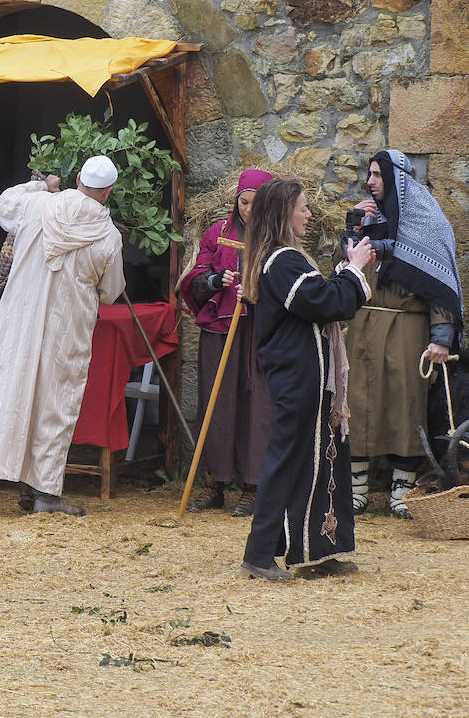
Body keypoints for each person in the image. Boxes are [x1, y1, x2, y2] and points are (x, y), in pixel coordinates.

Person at [239, 179, 374, 580]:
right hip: (298, 377)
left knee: (322, 460)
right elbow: (324, 302)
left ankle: (317, 550)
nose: (308, 214)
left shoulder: (287, 259)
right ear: (284, 214)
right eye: (302, 208)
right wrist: (354, 271)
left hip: (309, 376)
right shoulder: (281, 260)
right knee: (287, 462)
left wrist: (345, 271)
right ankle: (259, 554)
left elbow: (317, 294)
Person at [0, 156, 125, 517]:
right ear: (108, 191)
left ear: (78, 178)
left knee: (20, 390)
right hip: (67, 326)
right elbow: (110, 291)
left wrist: (40, 185)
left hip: (24, 318)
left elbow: (2, 204)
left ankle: (28, 484)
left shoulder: (37, 205)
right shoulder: (108, 236)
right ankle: (43, 490)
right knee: (55, 402)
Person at [346, 149, 463, 518]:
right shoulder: (367, 218)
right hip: (364, 324)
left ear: (398, 178)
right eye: (369, 174)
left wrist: (441, 336)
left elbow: (442, 285)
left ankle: (401, 491)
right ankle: (356, 491)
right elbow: (349, 266)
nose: (370, 181)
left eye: (378, 174)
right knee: (357, 401)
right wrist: (356, 230)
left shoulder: (429, 223)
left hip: (407, 327)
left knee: (405, 402)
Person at [178, 170, 276, 516]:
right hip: (221, 331)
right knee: (217, 405)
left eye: (256, 203)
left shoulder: (277, 239)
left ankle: (253, 485)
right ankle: (214, 482)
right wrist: (216, 280)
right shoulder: (218, 233)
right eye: (243, 202)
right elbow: (196, 275)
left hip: (258, 333)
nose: (248, 210)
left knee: (256, 406)